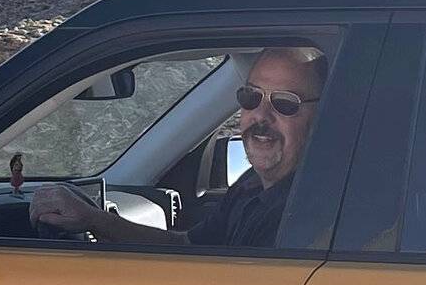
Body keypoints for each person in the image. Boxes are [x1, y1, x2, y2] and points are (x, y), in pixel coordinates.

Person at [27, 45, 326, 248]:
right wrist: (94, 220)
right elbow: (188, 247)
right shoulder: (252, 186)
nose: (260, 116)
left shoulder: (310, 211)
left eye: (285, 103)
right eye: (251, 97)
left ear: (324, 114)